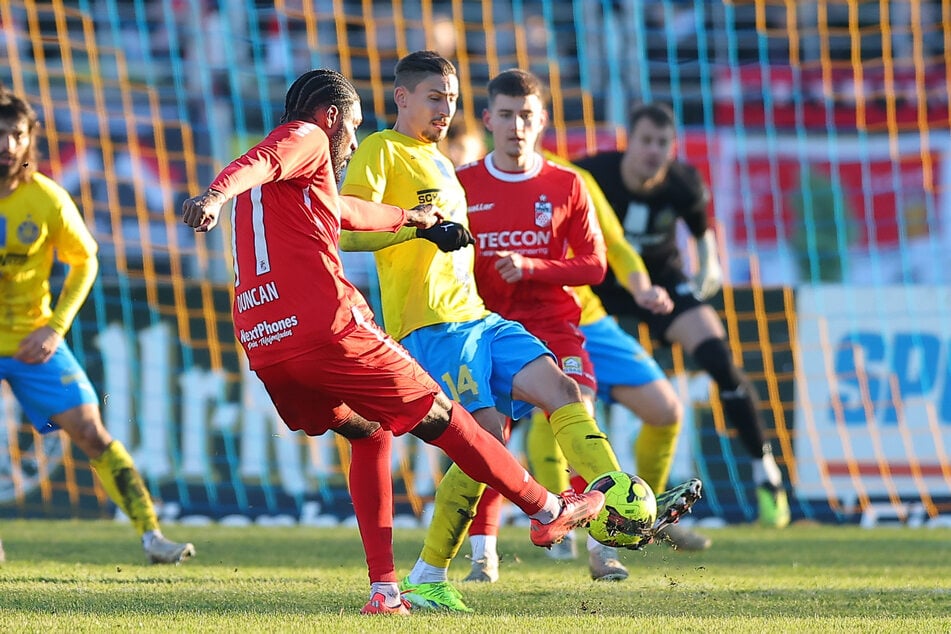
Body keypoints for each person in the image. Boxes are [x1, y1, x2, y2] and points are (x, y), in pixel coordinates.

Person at [181, 68, 605, 616]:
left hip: (266, 343)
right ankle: (549, 511)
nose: (353, 142)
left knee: (370, 433)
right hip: (330, 330)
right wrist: (214, 194)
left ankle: (384, 590)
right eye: (352, 127)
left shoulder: (283, 189)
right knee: (450, 419)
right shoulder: (304, 137)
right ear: (329, 117)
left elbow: (346, 212)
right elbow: (258, 160)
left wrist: (414, 220)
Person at [338, 51, 682, 612]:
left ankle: (615, 503)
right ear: (402, 98)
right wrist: (416, 230)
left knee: (563, 392)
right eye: (433, 98)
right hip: (433, 326)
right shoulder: (382, 149)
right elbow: (347, 230)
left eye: (450, 100)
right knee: (484, 444)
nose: (445, 110)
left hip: (479, 318)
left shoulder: (442, 160)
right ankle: (428, 575)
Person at [454, 69, 706, 587]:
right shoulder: (464, 184)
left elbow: (595, 263)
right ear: (488, 119)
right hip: (489, 329)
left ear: (542, 120)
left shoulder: (568, 183)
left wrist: (532, 267)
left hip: (559, 325)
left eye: (526, 116)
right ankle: (484, 559)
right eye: (505, 115)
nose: (516, 126)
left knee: (579, 414)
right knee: (486, 442)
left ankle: (601, 547)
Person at [0, 86, 194, 565]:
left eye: (14, 134)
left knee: (91, 432)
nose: (5, 145)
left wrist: (56, 327)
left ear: (28, 140)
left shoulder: (47, 199)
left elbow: (85, 261)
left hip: (32, 339)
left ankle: (152, 537)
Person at [577, 102, 790, 528]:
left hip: (661, 284)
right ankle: (569, 502)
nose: (653, 151)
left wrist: (710, 265)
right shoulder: (593, 173)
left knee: (718, 357)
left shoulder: (683, 183)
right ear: (628, 143)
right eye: (646, 141)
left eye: (662, 143)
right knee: (571, 382)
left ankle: (765, 470)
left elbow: (701, 230)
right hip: (600, 283)